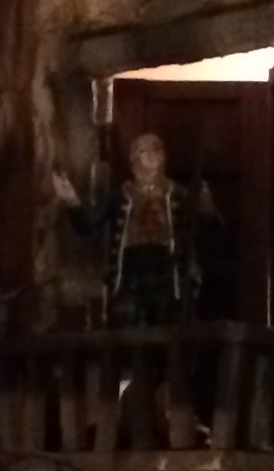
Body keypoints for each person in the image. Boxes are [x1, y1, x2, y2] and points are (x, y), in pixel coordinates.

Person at [52, 131, 203, 326]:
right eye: (143, 150)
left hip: (167, 272)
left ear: (163, 156)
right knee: (127, 328)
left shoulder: (180, 195)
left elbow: (207, 229)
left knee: (168, 328)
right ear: (133, 159)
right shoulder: (120, 196)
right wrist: (72, 200)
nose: (151, 154)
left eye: (156, 149)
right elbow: (86, 223)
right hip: (131, 273)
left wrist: (207, 210)